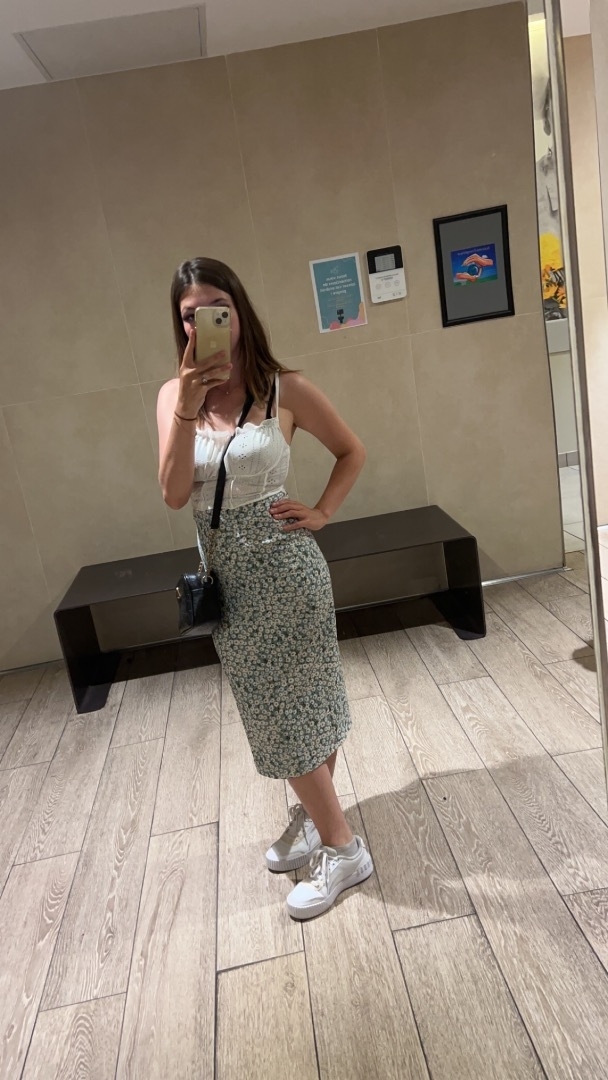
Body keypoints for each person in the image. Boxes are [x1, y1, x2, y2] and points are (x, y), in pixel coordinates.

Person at [157, 257, 373, 919]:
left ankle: (342, 848)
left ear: (239, 311)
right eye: (189, 315)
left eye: (215, 308)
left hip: (290, 573)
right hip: (231, 585)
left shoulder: (285, 388)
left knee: (303, 703)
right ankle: (319, 817)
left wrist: (323, 511)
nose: (203, 322)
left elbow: (352, 451)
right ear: (180, 325)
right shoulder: (173, 398)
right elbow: (174, 495)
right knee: (278, 711)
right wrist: (187, 407)